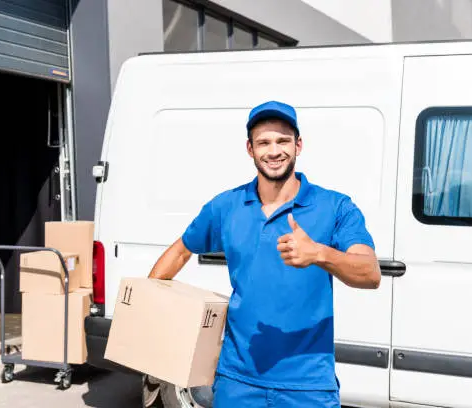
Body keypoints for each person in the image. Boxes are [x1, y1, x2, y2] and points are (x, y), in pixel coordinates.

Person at [148, 100, 381, 407]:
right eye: (264, 142)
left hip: (308, 386)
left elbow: (370, 273)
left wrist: (320, 254)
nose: (274, 151)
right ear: (250, 149)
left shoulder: (335, 207)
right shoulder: (226, 206)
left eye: (283, 140)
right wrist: (148, 310)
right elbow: (180, 251)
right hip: (237, 382)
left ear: (298, 145)